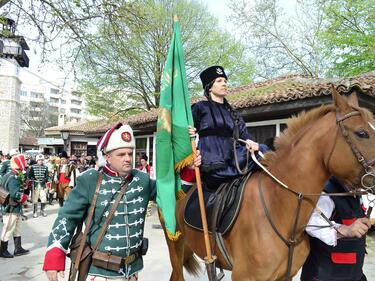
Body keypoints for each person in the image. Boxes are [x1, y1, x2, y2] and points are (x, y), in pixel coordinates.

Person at [43, 124, 197, 281]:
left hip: (132, 271)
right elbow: (67, 217)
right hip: (99, 272)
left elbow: (171, 194)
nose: (128, 158)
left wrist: (189, 168)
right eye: (121, 154)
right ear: (108, 157)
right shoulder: (90, 180)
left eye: (130, 153)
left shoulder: (142, 180)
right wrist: (55, 254)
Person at [190, 65, 268, 190]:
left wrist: (253, 144)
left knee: (268, 154)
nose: (224, 84)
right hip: (213, 163)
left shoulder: (234, 113)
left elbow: (245, 136)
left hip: (236, 159)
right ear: (209, 87)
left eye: (225, 81)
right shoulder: (200, 107)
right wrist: (190, 140)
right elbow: (185, 135)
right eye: (219, 81)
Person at [301, 176, 371, 281]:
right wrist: (345, 230)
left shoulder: (355, 192)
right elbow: (310, 224)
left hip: (354, 275)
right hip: (326, 276)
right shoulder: (327, 193)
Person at [0, 154, 30, 258]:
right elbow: (15, 194)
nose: (26, 163)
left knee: (17, 228)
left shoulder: (10, 174)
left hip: (14, 207)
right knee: (8, 228)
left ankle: (18, 248)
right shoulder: (14, 177)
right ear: (19, 163)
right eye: (24, 161)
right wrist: (25, 199)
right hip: (10, 207)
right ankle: (2, 250)